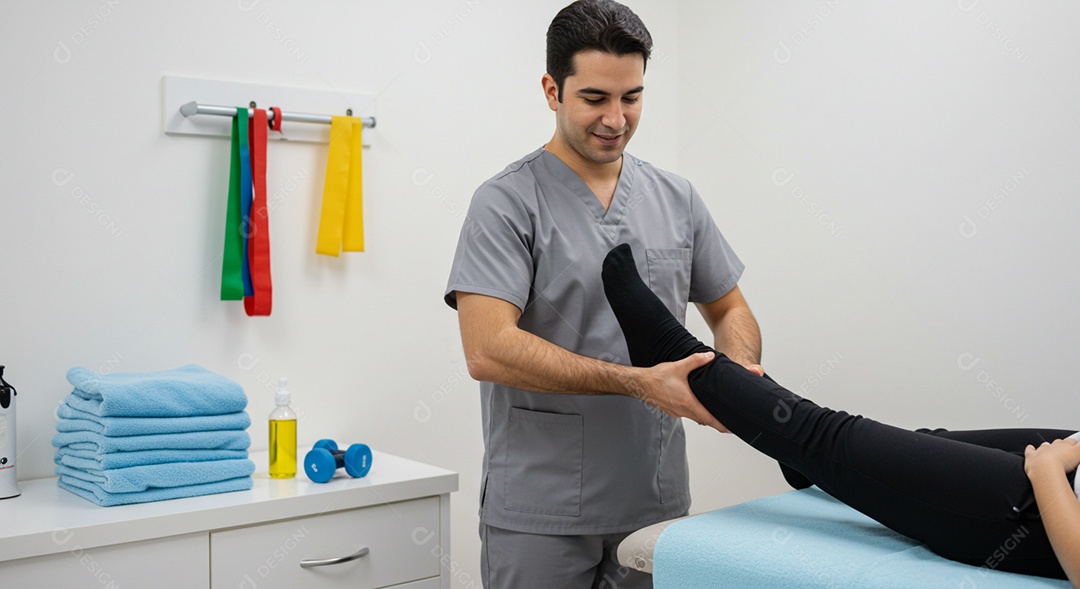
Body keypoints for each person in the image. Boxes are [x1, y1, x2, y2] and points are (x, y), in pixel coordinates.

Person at [443, 1, 763, 587]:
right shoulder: (506, 203)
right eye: (595, 98)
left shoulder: (677, 198)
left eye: (631, 97)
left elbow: (730, 306)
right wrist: (636, 381)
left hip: (654, 500)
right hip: (541, 509)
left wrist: (737, 369)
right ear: (552, 90)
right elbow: (486, 349)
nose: (616, 118)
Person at [600, 242, 1080, 583]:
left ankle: (669, 352)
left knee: (828, 435)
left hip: (1039, 515)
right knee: (930, 439)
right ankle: (803, 462)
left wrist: (1048, 474)